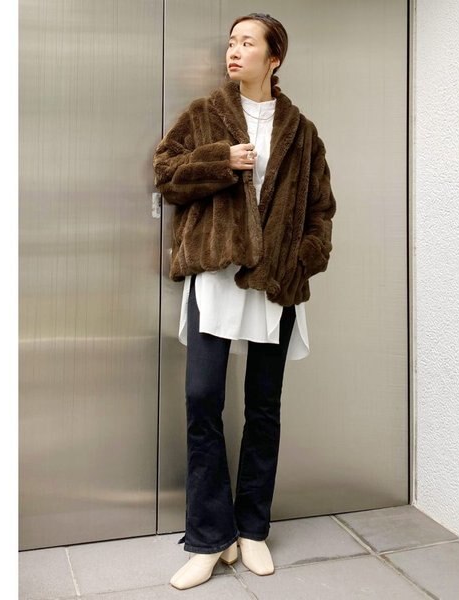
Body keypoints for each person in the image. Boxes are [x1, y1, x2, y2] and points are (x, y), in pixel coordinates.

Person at [152, 12, 336, 590]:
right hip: (214, 276)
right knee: (202, 399)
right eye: (230, 42)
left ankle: (252, 529)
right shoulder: (206, 114)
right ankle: (210, 538)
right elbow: (165, 173)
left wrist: (304, 256)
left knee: (264, 407)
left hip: (275, 282)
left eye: (246, 42)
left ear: (273, 58)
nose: (233, 50)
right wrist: (221, 162)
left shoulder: (301, 131)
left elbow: (321, 209)